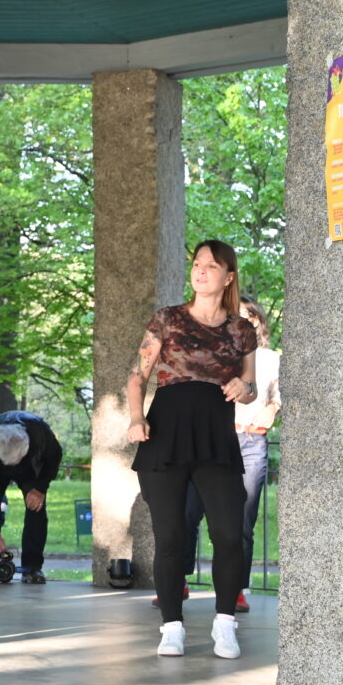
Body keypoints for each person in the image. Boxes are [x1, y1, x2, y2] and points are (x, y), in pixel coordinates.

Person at [128, 239, 257, 659]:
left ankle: (225, 624)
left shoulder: (242, 330)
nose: (200, 271)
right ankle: (172, 627)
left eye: (211, 266)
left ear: (228, 277)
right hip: (164, 434)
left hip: (215, 438)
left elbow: (251, 387)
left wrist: (245, 388)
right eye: (196, 264)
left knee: (228, 532)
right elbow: (137, 376)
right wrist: (135, 418)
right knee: (170, 536)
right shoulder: (166, 319)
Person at [172, 296, 281, 613]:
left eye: (246, 316)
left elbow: (278, 395)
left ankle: (236, 590)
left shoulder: (272, 359)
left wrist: (273, 409)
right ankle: (177, 580)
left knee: (241, 521)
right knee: (188, 512)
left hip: (249, 442)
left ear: (257, 321)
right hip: (209, 441)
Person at [0, 411, 62, 585]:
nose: (12, 466)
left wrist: (40, 489)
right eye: (9, 462)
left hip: (31, 469)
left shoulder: (41, 434)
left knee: (36, 508)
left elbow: (54, 458)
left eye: (14, 461)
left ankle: (32, 567)